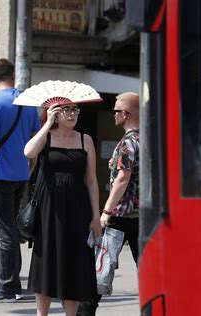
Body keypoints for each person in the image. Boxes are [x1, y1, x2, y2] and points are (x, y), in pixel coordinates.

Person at [24, 102, 102, 316]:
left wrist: (96, 216)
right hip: (49, 208)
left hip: (78, 209)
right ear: (56, 114)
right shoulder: (47, 136)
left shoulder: (85, 140)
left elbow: (92, 180)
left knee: (75, 260)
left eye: (75, 110)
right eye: (66, 110)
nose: (72, 114)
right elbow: (28, 152)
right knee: (45, 260)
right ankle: (42, 314)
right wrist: (47, 123)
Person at [0, 58, 40, 303]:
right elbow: (35, 141)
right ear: (14, 75)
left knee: (3, 233)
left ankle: (6, 287)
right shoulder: (28, 102)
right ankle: (14, 284)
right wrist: (30, 167)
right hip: (21, 174)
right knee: (11, 231)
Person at [77, 92, 141, 316]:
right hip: (143, 216)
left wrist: (106, 211)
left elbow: (123, 178)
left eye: (116, 111)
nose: (113, 115)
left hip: (120, 216)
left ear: (125, 114)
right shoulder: (150, 140)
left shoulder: (128, 143)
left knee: (99, 271)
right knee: (148, 270)